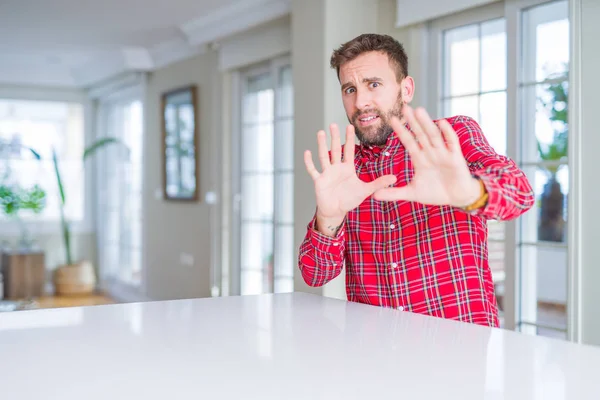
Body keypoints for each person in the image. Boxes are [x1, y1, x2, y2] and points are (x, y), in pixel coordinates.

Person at [298, 33, 534, 327]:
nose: (360, 102)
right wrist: (329, 219)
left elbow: (521, 194)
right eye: (349, 89)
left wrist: (471, 193)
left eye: (373, 84)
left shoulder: (452, 136)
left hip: (457, 353)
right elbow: (314, 274)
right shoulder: (345, 168)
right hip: (373, 357)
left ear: (405, 89)